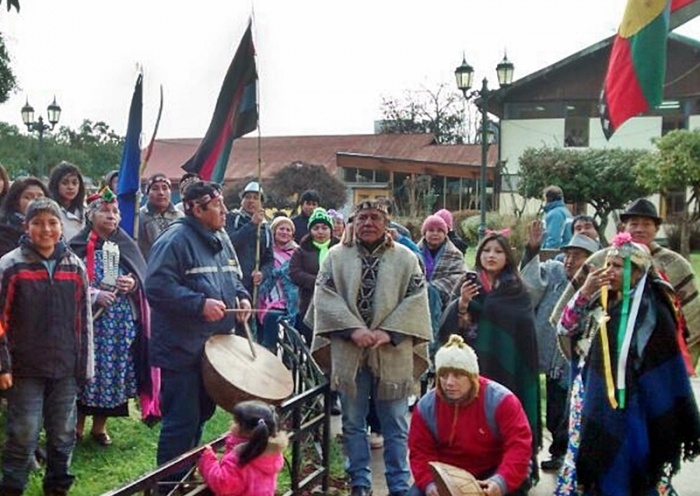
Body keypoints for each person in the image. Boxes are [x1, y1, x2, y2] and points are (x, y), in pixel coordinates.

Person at [555, 233, 700, 494]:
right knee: (595, 469)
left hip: (637, 405)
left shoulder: (654, 310)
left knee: (632, 472)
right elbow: (565, 329)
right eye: (607, 265)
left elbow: (664, 366)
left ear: (637, 272)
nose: (609, 271)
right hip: (594, 402)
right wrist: (585, 291)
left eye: (618, 266)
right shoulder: (597, 300)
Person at [308, 199, 432, 496]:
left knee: (396, 425)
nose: (368, 223)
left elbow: (417, 298)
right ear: (353, 222)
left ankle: (399, 485)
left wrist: (389, 333)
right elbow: (323, 295)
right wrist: (353, 330)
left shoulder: (405, 258)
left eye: (375, 217)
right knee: (352, 422)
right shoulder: (336, 257)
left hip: (393, 352)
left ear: (386, 223)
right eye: (362, 217)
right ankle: (359, 483)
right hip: (350, 352)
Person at [145, 181, 252, 490]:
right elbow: (156, 286)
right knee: (181, 422)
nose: (225, 210)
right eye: (218, 205)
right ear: (195, 208)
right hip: (181, 349)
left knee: (201, 416)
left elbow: (235, 278)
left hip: (213, 349)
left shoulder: (221, 237)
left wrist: (241, 298)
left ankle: (184, 478)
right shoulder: (175, 239)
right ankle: (168, 486)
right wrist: (198, 304)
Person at [0, 197, 93, 496]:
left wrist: (85, 364)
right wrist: (3, 364)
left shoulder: (75, 266)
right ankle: (13, 486)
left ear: (61, 227)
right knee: (24, 433)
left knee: (63, 432)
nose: (46, 229)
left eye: (52, 222)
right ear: (27, 226)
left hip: (65, 367)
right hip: (24, 368)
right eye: (38, 222)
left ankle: (57, 487)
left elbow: (84, 320)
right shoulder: (11, 266)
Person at [552, 198, 700, 370]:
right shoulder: (602, 259)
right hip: (605, 358)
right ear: (623, 228)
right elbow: (567, 314)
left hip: (658, 358)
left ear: (656, 229)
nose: (639, 229)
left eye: (646, 224)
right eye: (634, 223)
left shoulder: (675, 264)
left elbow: (691, 318)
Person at [438, 231, 540, 463]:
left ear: (507, 257)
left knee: (506, 418)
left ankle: (511, 469)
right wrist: (462, 304)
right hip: (475, 366)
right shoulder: (468, 283)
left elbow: (523, 331)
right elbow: (452, 333)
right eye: (486, 250)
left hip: (509, 367)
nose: (491, 255)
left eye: (498, 251)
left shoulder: (516, 289)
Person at [69, 188, 157, 445]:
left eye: (115, 212)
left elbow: (142, 277)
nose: (111, 216)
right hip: (88, 323)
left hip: (118, 324)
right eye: (105, 211)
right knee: (85, 370)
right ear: (91, 215)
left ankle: (99, 427)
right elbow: (68, 280)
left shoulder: (125, 244)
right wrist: (94, 295)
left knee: (113, 369)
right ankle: (76, 425)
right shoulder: (76, 245)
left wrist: (132, 284)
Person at [408, 335, 533, 496]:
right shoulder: (426, 406)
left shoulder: (502, 400)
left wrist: (500, 482)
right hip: (446, 475)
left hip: (493, 470)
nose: (449, 383)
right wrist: (430, 484)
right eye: (444, 375)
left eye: (458, 375)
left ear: (472, 376)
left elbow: (519, 446)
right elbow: (420, 452)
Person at [520, 222, 598, 472]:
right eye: (569, 254)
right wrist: (532, 248)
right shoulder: (554, 272)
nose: (569, 260)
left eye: (577, 256)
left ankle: (567, 451)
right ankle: (558, 450)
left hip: (577, 358)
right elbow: (529, 287)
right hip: (548, 353)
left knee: (570, 407)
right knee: (554, 407)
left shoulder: (597, 285)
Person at [198, 400, 288, 496]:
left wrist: (208, 460)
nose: (230, 423)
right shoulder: (270, 451)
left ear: (247, 431)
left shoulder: (240, 457)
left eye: (236, 422)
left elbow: (223, 484)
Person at [290, 207, 340, 345]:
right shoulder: (301, 250)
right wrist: (318, 281)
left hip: (336, 304)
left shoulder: (340, 249)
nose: (320, 232)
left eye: (324, 228)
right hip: (309, 303)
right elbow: (295, 273)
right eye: (316, 228)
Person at [417, 214, 465, 339]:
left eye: (439, 231)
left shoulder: (454, 254)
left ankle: (433, 338)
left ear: (445, 234)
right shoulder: (414, 253)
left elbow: (458, 276)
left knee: (431, 291)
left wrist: (432, 286)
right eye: (431, 230)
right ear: (424, 233)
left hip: (443, 299)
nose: (435, 233)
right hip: (417, 296)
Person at [256, 215, 299, 351]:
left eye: (288, 230)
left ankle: (290, 356)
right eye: (281, 229)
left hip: (291, 297)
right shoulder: (265, 251)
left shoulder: (297, 252)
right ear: (274, 231)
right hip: (269, 294)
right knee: (271, 318)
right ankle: (269, 349)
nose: (284, 232)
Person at [224, 181, 274, 298]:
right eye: (247, 197)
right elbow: (230, 244)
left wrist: (263, 273)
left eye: (256, 198)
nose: (251, 201)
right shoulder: (232, 218)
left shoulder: (266, 228)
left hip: (254, 286)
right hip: (233, 280)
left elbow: (269, 259)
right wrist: (251, 225)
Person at [0, 178, 50, 258]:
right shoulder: (5, 231)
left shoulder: (53, 229)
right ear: (15, 201)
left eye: (40, 196)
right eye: (27, 197)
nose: (35, 201)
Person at [137, 173, 183, 258]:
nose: (161, 193)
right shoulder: (140, 217)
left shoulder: (180, 217)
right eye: (155, 189)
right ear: (147, 193)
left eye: (165, 188)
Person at [48, 161, 86, 241]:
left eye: (74, 183)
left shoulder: (86, 211)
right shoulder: (49, 211)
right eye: (65, 183)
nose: (70, 187)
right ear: (56, 185)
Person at [541, 185, 572, 249]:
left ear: (547, 198)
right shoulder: (566, 212)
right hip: (567, 252)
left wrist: (544, 253)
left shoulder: (555, 214)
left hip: (556, 255)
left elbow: (553, 240)